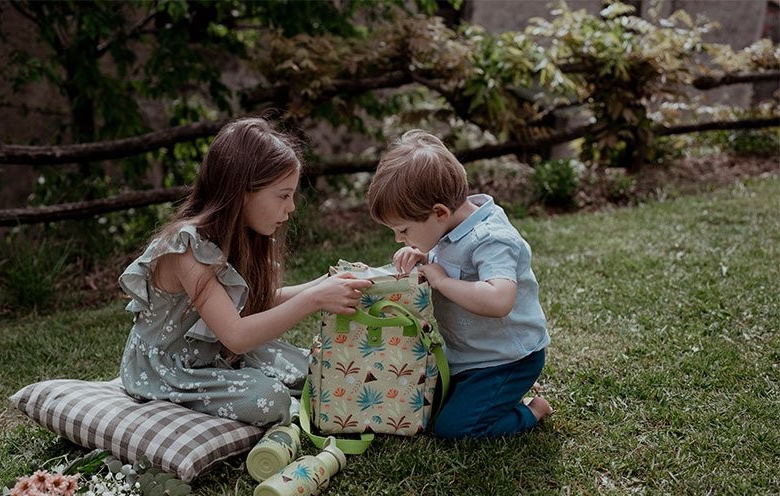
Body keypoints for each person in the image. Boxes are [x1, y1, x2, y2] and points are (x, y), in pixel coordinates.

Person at [118, 117, 372, 427]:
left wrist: (325, 283)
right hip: (168, 370)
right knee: (270, 397)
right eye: (282, 195)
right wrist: (315, 299)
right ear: (242, 192)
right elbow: (236, 336)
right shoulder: (185, 248)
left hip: (215, 357)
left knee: (316, 368)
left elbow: (258, 303)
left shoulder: (238, 238)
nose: (291, 207)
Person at [367, 129, 553, 438]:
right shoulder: (446, 228)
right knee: (417, 403)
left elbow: (498, 300)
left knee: (453, 428)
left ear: (439, 212)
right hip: (466, 357)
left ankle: (531, 410)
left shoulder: (491, 239)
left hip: (506, 360)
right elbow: (448, 264)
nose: (399, 238)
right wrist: (422, 258)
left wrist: (440, 280)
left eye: (403, 230)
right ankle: (494, 396)